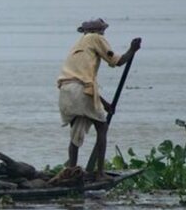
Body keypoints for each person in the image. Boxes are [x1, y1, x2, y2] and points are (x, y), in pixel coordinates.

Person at [56, 18, 141, 180]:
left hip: (67, 91)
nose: (103, 34)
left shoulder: (79, 44)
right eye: (103, 31)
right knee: (102, 127)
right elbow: (118, 61)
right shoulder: (95, 38)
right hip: (79, 90)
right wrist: (132, 50)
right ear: (98, 31)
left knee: (76, 131)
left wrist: (105, 104)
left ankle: (71, 171)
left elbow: (84, 82)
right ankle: (100, 173)